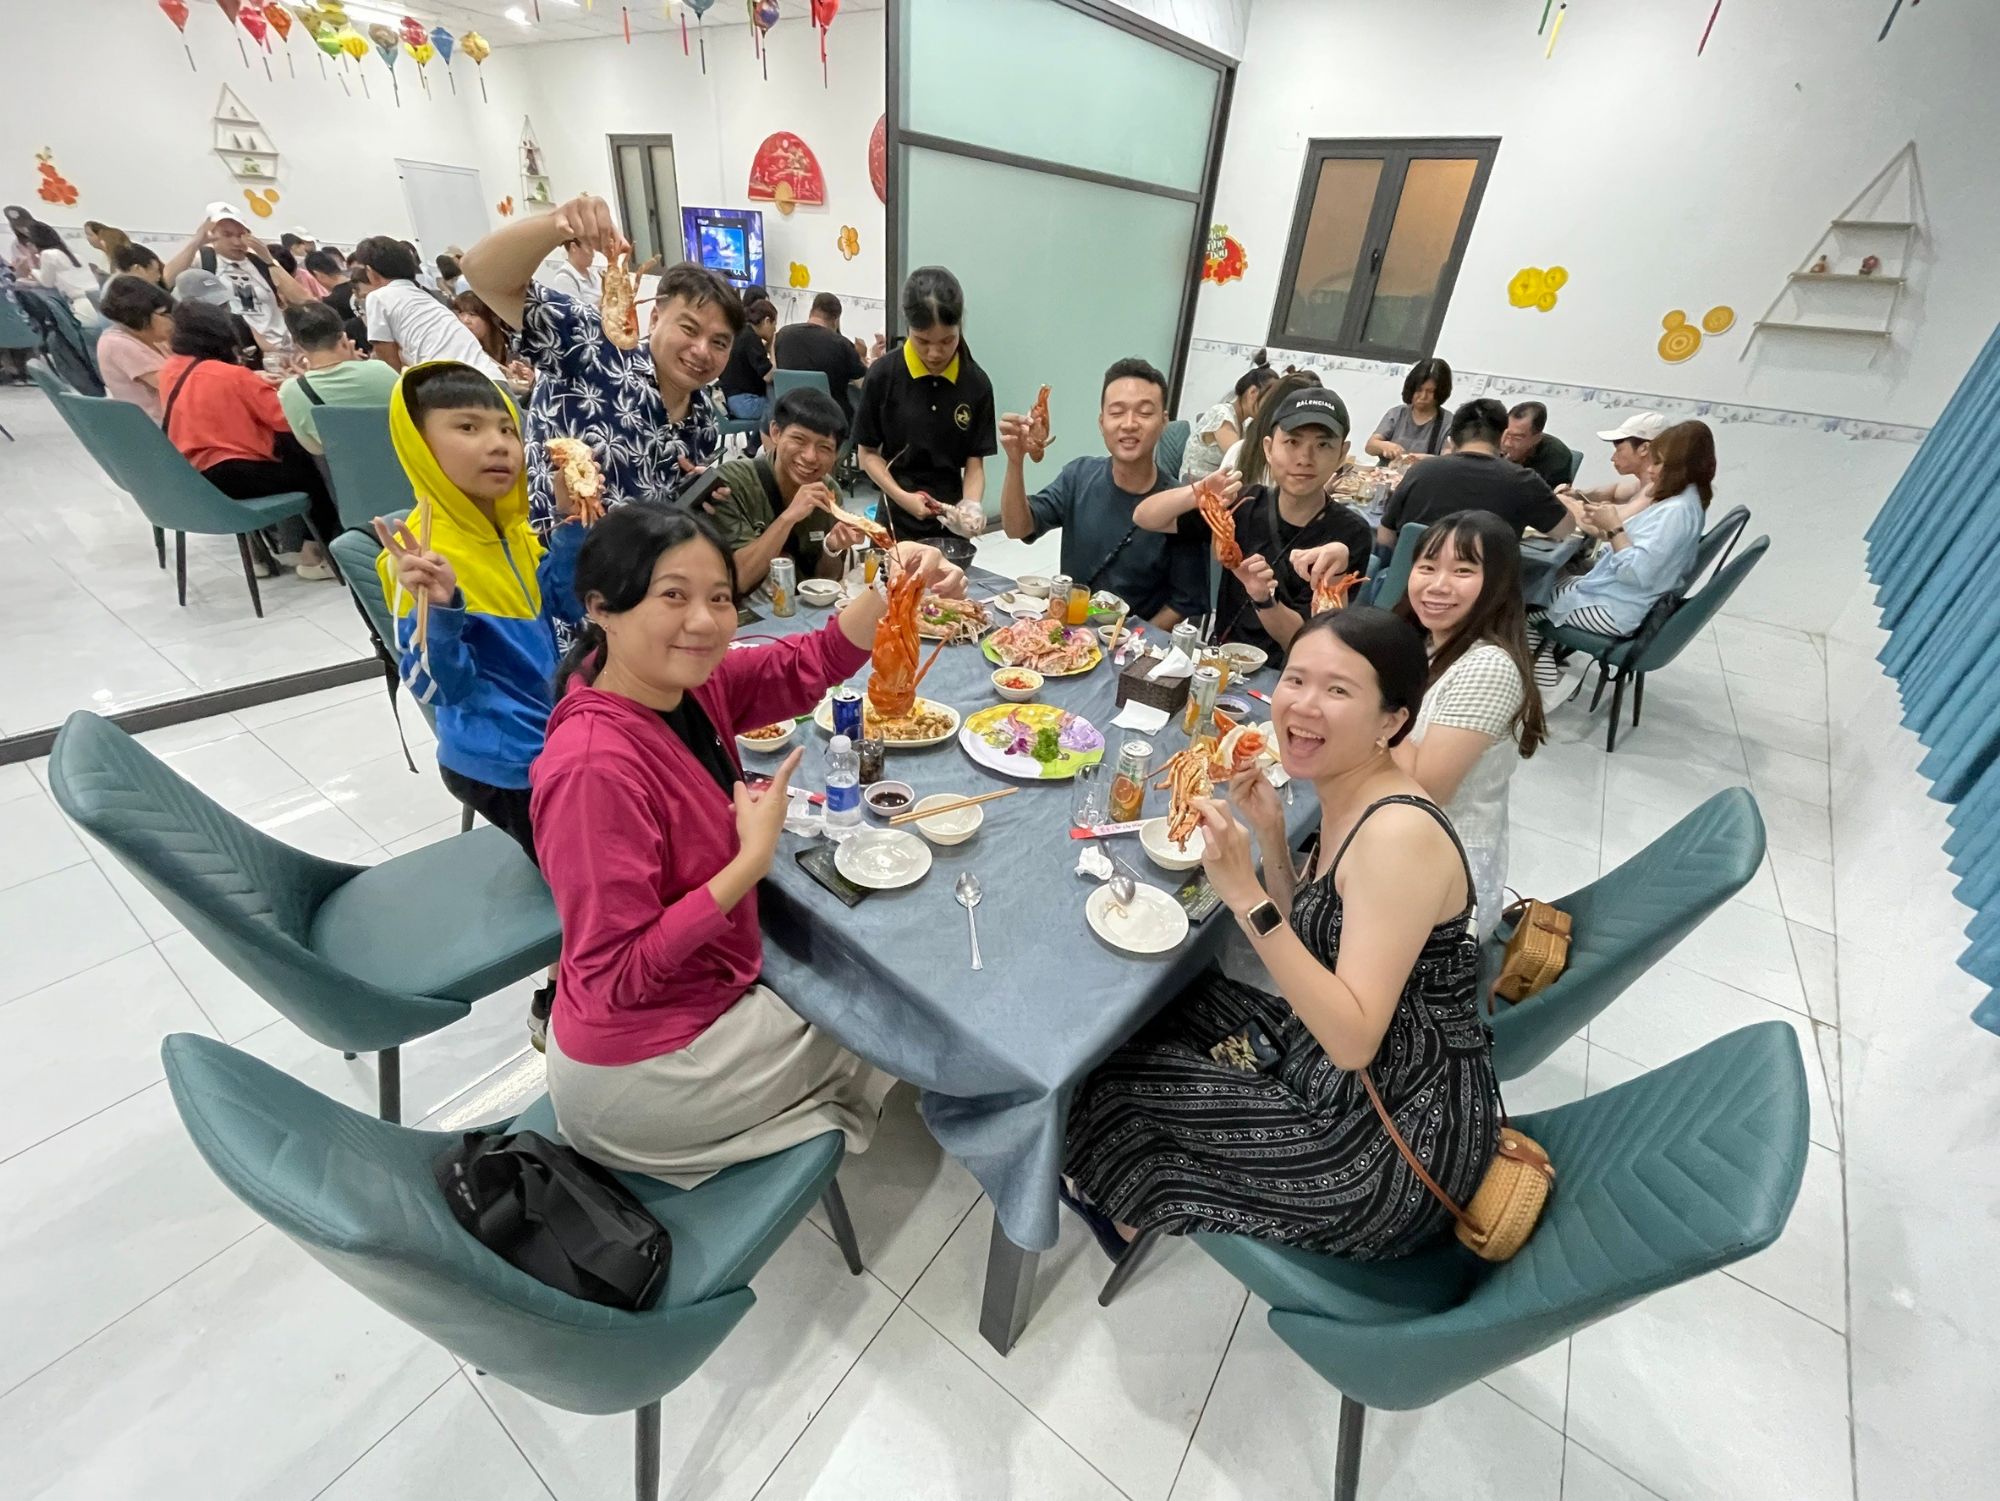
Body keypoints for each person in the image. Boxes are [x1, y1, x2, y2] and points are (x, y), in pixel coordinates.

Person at [530, 508, 966, 1183]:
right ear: (601, 608)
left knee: (867, 975)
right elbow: (618, 974)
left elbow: (808, 662)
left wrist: (893, 582)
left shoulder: (677, 685)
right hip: (644, 1070)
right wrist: (747, 863)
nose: (704, 622)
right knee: (897, 1011)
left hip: (693, 994)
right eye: (672, 595)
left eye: (719, 598)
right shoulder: (592, 769)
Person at [1062, 606, 1500, 1259]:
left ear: (1392, 721)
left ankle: (1123, 1216)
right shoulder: (1351, 792)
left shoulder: (1398, 835)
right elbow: (1317, 938)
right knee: (1144, 1008)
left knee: (1112, 1086)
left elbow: (1353, 1041)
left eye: (1339, 689)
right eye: (1296, 679)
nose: (1303, 704)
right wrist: (1270, 833)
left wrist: (1244, 893)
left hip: (1387, 1136)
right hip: (1327, 1053)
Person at [371, 362, 587, 865]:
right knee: (594, 867)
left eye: (507, 429)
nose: (498, 445)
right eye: (468, 427)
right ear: (420, 446)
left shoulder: (515, 532)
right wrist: (441, 609)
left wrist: (571, 523)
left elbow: (569, 605)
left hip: (551, 731)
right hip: (502, 761)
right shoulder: (418, 558)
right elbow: (436, 689)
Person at [462, 192, 737, 534]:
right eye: (689, 329)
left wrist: (694, 494)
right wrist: (557, 224)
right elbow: (483, 274)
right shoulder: (590, 344)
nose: (701, 350)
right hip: (555, 558)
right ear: (654, 318)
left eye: (719, 342)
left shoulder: (704, 418)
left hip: (643, 564)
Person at [1388, 513, 1544, 937]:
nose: (1438, 585)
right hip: (1395, 835)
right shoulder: (1427, 643)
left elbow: (1425, 790)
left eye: (1462, 571)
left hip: (1438, 882)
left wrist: (1380, 700)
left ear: (1497, 582)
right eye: (1427, 566)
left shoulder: (1488, 667)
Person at [1150, 386, 1376, 654]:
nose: (1305, 458)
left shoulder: (1350, 535)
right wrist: (1198, 491)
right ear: (1268, 448)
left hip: (1290, 668)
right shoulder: (1243, 503)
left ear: (1341, 454)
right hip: (1222, 657)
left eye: (1323, 445)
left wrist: (1264, 598)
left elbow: (1307, 643)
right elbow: (1147, 517)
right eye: (1292, 442)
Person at [998, 357, 1209, 628]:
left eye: (1145, 413)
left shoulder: (1180, 504)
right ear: (1101, 422)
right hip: (1071, 635)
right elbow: (1017, 528)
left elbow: (1183, 603)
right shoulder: (1078, 476)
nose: (1129, 424)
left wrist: (1130, 640)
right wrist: (1015, 461)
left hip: (1136, 642)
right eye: (1117, 412)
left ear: (1164, 422)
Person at [157, 301, 340, 580]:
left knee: (291, 457)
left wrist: (255, 382)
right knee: (311, 468)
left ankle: (270, 550)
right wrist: (293, 386)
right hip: (239, 472)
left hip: (197, 476)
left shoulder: (171, 369)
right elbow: (285, 419)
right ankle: (315, 554)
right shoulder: (234, 376)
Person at [1529, 420, 1715, 689]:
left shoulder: (1675, 512)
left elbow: (1635, 573)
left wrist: (1613, 528)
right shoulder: (1686, 499)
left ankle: (1544, 682)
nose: (1650, 469)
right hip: (1619, 597)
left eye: (1658, 462)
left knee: (1521, 604)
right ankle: (1540, 669)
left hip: (1616, 609)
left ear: (1680, 466)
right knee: (1537, 587)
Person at [855, 266, 997, 542]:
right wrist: (903, 498)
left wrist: (971, 505)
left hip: (950, 523)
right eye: (922, 341)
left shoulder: (976, 383)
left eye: (947, 340)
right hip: (895, 518)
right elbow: (867, 455)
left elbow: (974, 462)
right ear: (908, 327)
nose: (934, 353)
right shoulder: (883, 375)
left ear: (960, 326)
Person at [710, 386, 874, 592]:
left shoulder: (828, 493)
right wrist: (789, 518)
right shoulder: (732, 482)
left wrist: (831, 548)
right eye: (799, 440)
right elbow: (740, 580)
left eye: (824, 447)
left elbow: (824, 582)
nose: (810, 457)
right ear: (776, 432)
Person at [1379, 398, 1571, 548]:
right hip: (1486, 585)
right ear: (1501, 437)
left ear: (1452, 439)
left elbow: (1385, 536)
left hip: (1411, 583)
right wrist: (1568, 504)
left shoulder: (1419, 471)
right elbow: (1565, 531)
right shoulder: (1524, 480)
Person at [162, 204, 316, 352]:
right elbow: (166, 281)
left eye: (241, 234)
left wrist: (269, 260)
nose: (236, 242)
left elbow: (303, 300)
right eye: (227, 235)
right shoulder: (204, 259)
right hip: (236, 350)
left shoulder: (259, 262)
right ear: (212, 234)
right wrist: (196, 242)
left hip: (280, 347)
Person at [351, 236, 507, 379]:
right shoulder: (427, 298)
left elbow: (389, 360)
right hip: (492, 377)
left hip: (455, 382)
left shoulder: (378, 297)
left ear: (371, 272)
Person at [276, 301, 399, 454]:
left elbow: (315, 449)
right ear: (343, 337)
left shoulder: (291, 392)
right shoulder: (381, 370)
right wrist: (357, 364)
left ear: (297, 344)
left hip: (353, 467)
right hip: (406, 460)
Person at [773, 291, 871, 424]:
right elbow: (865, 384)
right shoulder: (841, 344)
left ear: (811, 311)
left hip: (789, 415)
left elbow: (775, 370)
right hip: (830, 420)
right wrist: (861, 358)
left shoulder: (782, 335)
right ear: (836, 320)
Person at [1181, 351, 1281, 482]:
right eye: (1268, 400)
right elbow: (1239, 460)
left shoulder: (1245, 424)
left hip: (1218, 482)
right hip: (1195, 483)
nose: (1270, 407)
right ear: (1252, 392)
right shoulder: (1221, 415)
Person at [94, 274, 174, 423]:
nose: (171, 320)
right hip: (157, 425)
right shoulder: (117, 344)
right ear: (140, 315)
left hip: (175, 417)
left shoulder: (151, 336)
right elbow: (175, 386)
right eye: (164, 314)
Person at [1564, 411, 1667, 519]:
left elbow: (1612, 523)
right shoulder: (1642, 484)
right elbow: (1614, 492)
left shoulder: (1655, 490)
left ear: (1644, 449)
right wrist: (1576, 494)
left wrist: (1566, 503)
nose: (1613, 458)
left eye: (1619, 450)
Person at [172, 267, 269, 370]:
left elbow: (259, 355)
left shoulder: (238, 323)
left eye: (224, 303)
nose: (224, 310)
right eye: (216, 306)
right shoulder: (182, 343)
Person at [1366, 358, 1455, 463]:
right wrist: (1385, 446)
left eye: (1430, 391)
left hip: (1425, 472)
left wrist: (1423, 459)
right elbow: (1370, 446)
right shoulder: (1396, 414)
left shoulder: (1449, 422)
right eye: (1419, 390)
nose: (1423, 396)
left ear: (1440, 392)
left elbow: (1448, 459)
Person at [720, 296, 777, 449]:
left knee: (774, 407)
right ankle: (754, 450)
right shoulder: (751, 338)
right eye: (774, 325)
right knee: (781, 410)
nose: (774, 330)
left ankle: (751, 449)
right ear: (767, 321)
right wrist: (772, 348)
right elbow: (769, 376)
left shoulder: (741, 333)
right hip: (744, 402)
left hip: (732, 399)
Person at [1499, 401, 1573, 490]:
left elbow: (1557, 494)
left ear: (1537, 438)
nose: (1507, 443)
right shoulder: (1493, 442)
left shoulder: (1557, 455)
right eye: (1506, 434)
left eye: (1517, 438)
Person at [543, 238, 603, 306]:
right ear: (573, 247)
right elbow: (574, 310)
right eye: (590, 248)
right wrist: (604, 301)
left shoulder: (594, 273)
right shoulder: (563, 279)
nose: (593, 255)